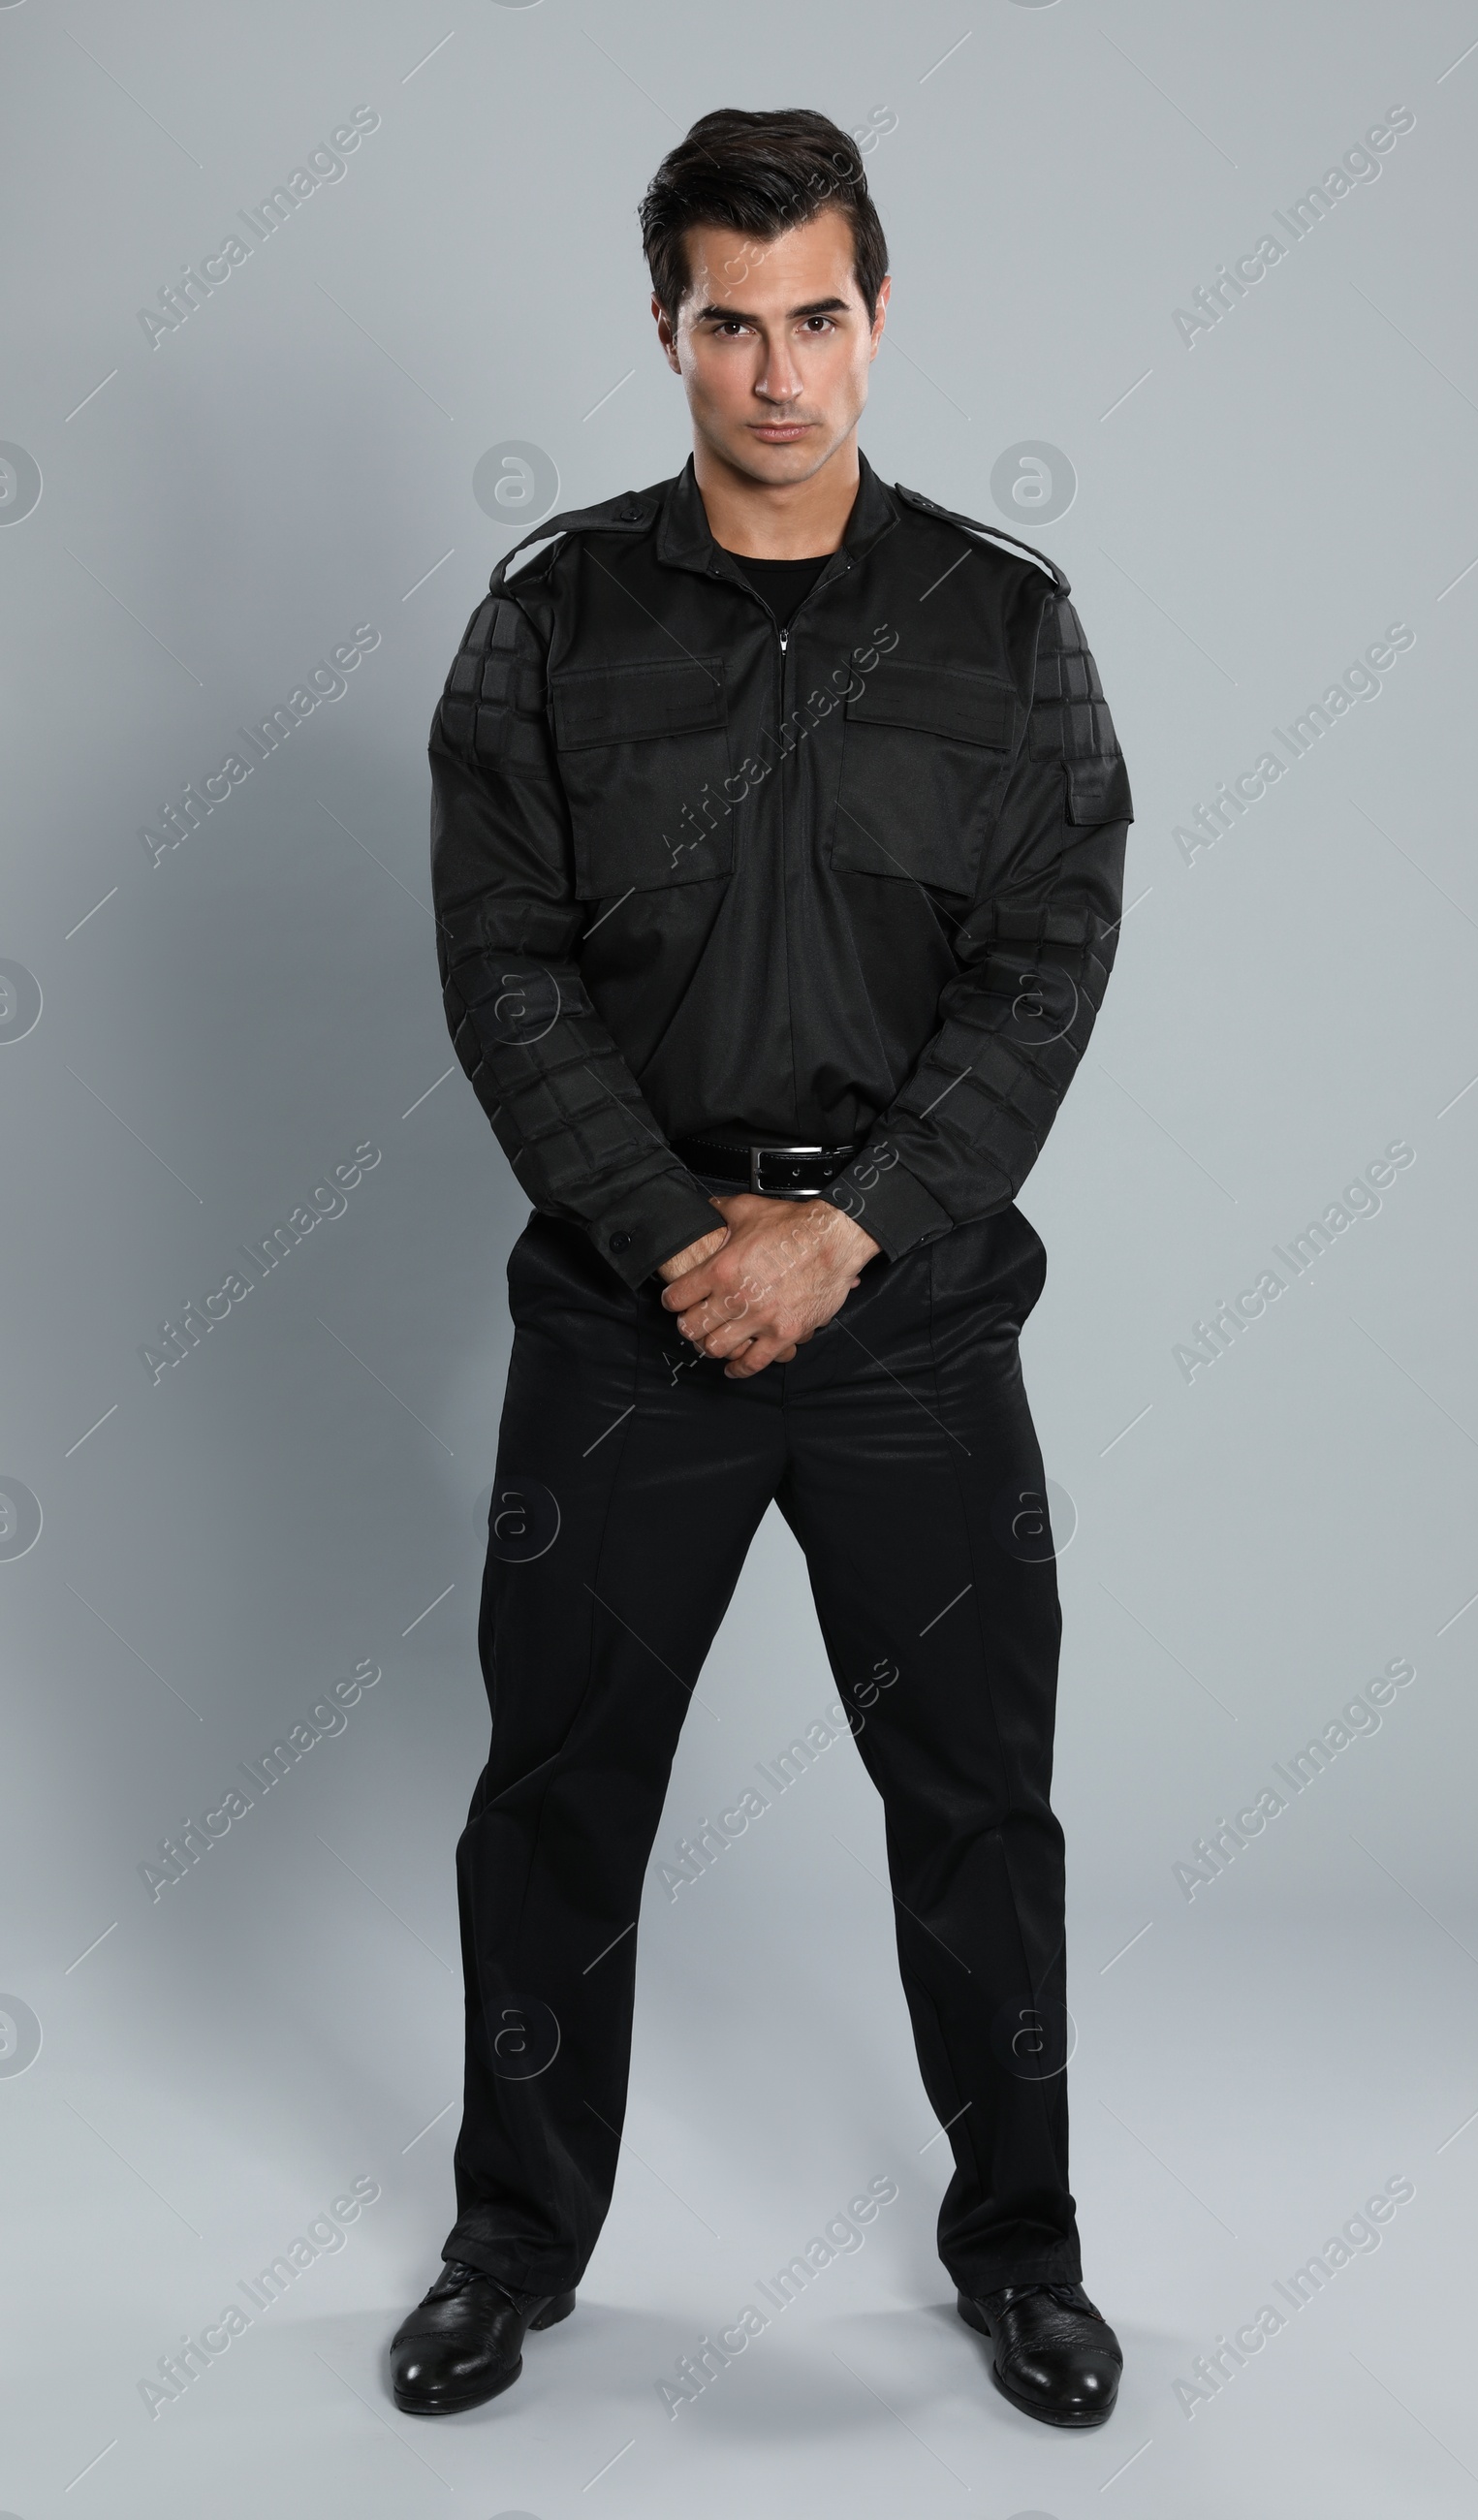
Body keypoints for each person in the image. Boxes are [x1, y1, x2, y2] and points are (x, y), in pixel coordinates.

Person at [390, 106, 1133, 2430]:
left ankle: (1020, 2251)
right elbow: (502, 961)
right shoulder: (549, 621)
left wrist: (853, 1224)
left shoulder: (1002, 626)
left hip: (908, 1314)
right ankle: (509, 2246)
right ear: (667, 330)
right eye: (732, 323)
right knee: (554, 1798)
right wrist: (675, 1231)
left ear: (875, 314)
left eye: (818, 316)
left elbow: (1048, 952)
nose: (779, 372)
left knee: (976, 1812)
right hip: (630, 1310)